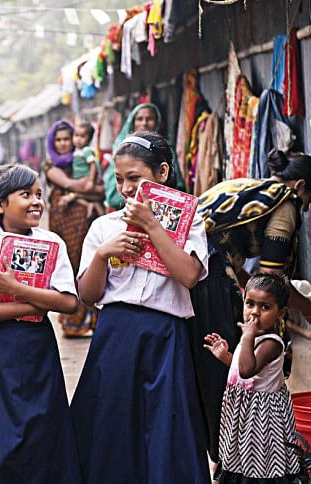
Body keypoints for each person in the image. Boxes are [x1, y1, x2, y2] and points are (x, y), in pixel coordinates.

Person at [71, 131, 209, 483]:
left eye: (135, 177)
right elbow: (87, 295)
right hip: (116, 335)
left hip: (166, 336)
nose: (126, 188)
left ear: (162, 172)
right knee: (114, 428)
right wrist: (103, 255)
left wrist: (152, 226)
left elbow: (189, 275)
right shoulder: (105, 227)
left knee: (166, 428)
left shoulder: (190, 221)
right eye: (119, 179)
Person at [189, 150, 311, 464]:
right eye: (310, 200)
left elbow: (245, 268)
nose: (306, 208)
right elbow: (271, 279)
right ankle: (230, 455)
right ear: (300, 185)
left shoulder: (251, 188)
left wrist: (244, 286)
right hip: (211, 276)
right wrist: (309, 309)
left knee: (208, 364)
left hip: (193, 268)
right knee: (223, 373)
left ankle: (219, 453)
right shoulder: (285, 202)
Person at [0, 160, 81, 484]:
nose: (37, 202)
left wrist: (16, 289)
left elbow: (69, 302)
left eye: (39, 194)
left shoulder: (52, 242)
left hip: (38, 347)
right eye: (26, 194)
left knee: (42, 428)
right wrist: (32, 303)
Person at [203, 273, 301, 481]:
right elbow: (243, 371)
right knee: (241, 455)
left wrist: (247, 336)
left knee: (260, 460)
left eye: (265, 307)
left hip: (261, 416)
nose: (255, 312)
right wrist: (226, 357)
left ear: (280, 313)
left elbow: (248, 370)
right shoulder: (252, 337)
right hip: (243, 412)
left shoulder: (271, 343)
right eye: (250, 304)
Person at [44, 120, 105, 337]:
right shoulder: (50, 165)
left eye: (66, 139)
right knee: (67, 265)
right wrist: (84, 190)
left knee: (88, 263)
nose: (63, 143)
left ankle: (93, 320)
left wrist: (80, 193)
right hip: (63, 220)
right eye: (58, 140)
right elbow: (71, 184)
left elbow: (100, 190)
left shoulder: (82, 159)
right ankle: (73, 322)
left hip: (86, 220)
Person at [103, 103, 187, 210]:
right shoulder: (122, 149)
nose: (144, 123)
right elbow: (112, 197)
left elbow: (179, 187)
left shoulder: (165, 149)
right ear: (132, 122)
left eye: (149, 119)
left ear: (163, 171)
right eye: (139, 119)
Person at [70, 123, 104, 219]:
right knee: (90, 200)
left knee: (74, 194)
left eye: (82, 136)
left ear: (89, 139)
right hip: (79, 179)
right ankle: (91, 206)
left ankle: (102, 216)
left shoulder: (86, 151)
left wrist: (91, 181)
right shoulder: (77, 151)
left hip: (85, 179)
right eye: (76, 135)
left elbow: (93, 165)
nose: (78, 139)